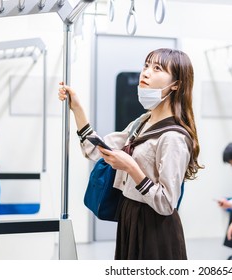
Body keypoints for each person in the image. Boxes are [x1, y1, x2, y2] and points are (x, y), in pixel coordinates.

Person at [58, 48, 203, 260]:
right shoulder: (142, 122)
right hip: (130, 216)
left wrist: (131, 168)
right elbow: (96, 150)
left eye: (157, 68)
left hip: (155, 227)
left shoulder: (174, 137)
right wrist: (77, 108)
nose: (145, 73)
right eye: (146, 66)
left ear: (176, 84)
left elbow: (166, 203)